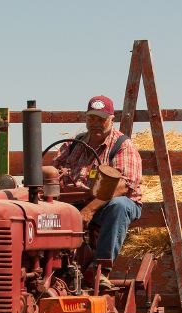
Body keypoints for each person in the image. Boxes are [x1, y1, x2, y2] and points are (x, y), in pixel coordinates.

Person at [53, 95, 142, 288]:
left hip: (109, 205)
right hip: (76, 202)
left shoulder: (122, 145)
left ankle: (100, 270)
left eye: (101, 119)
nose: (95, 123)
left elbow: (123, 185)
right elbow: (52, 172)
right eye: (91, 118)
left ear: (111, 119)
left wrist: (90, 210)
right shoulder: (74, 144)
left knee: (119, 206)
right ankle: (53, 268)